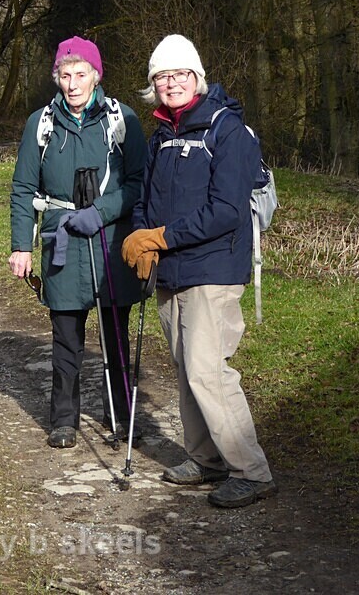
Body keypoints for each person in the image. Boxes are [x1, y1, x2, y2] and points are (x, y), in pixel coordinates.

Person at [122, 34, 277, 508]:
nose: (169, 84)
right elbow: (146, 199)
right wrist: (140, 233)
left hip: (214, 268)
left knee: (208, 371)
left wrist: (160, 238)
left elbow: (226, 210)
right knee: (185, 368)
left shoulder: (226, 131)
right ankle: (205, 458)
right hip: (172, 270)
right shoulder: (163, 134)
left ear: (196, 77)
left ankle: (250, 470)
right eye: (160, 77)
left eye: (177, 74)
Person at [9, 36, 147, 448]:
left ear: (95, 76)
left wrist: (101, 212)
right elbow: (22, 187)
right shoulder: (41, 123)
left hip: (110, 242)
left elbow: (139, 183)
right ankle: (64, 420)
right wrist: (21, 246)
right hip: (60, 240)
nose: (72, 84)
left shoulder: (122, 120)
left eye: (80, 74)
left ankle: (121, 415)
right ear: (57, 77)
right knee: (66, 336)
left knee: (115, 333)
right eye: (65, 75)